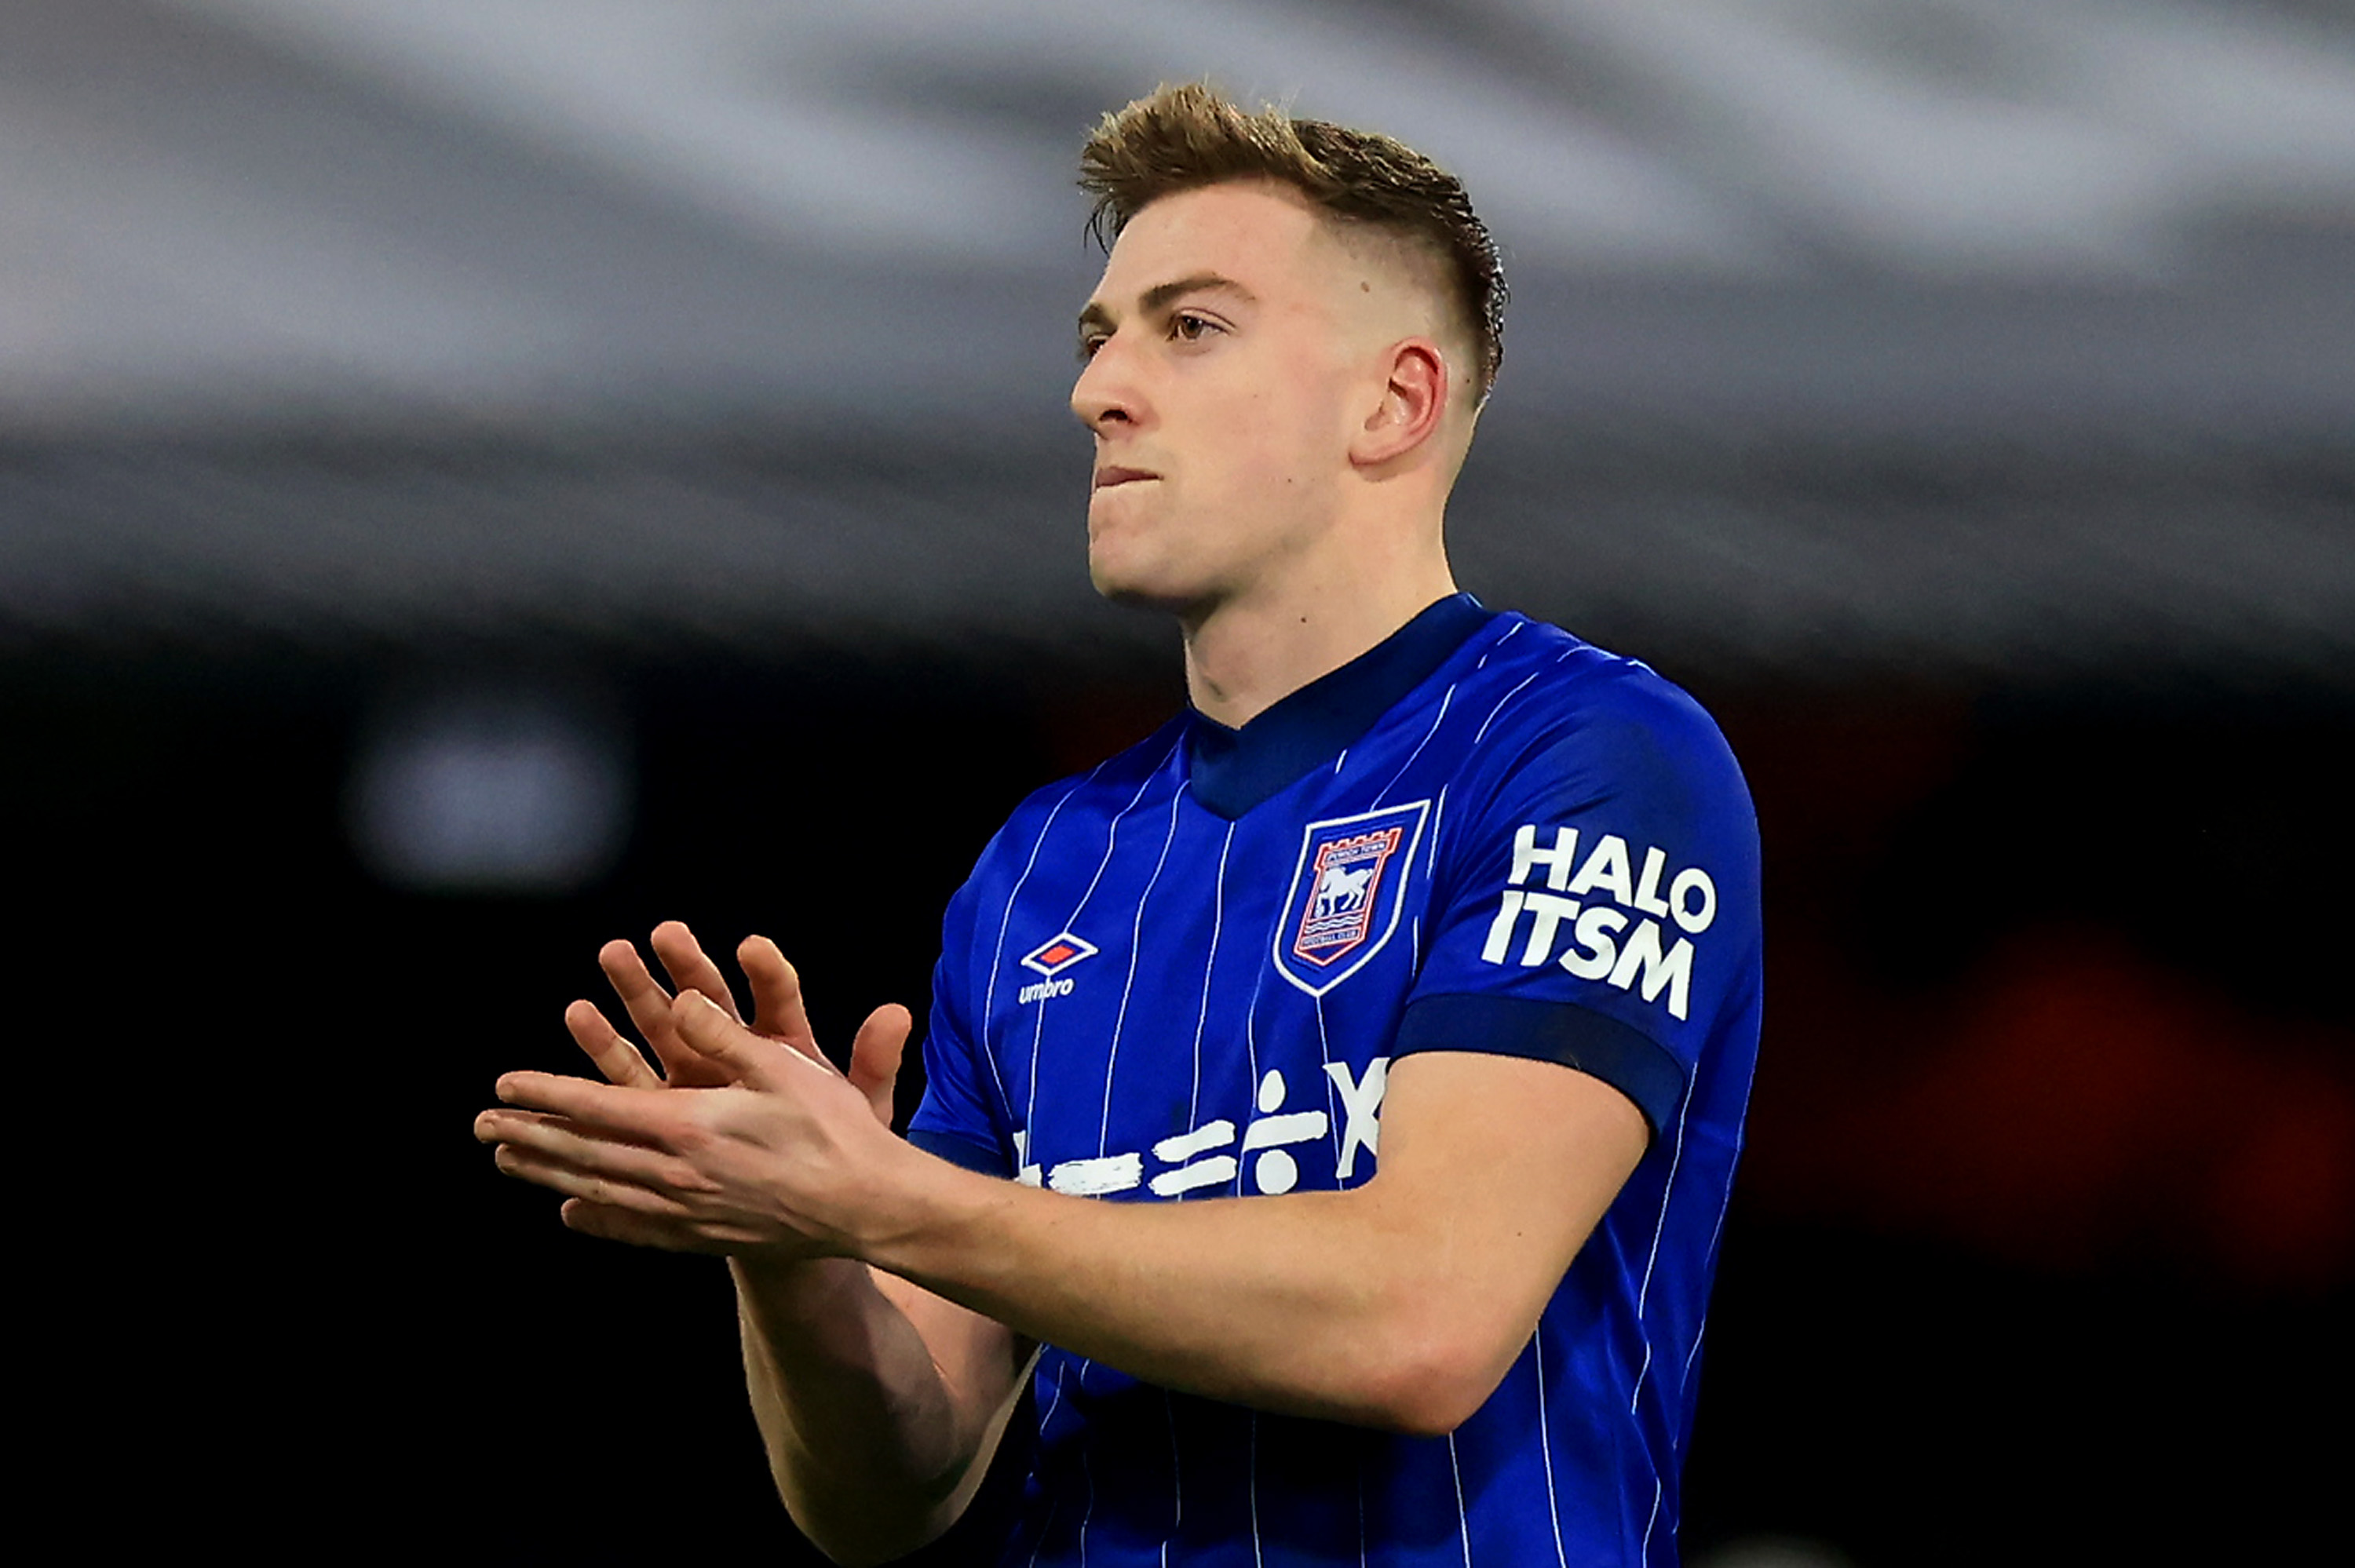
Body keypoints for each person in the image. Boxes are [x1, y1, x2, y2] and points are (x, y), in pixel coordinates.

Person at [478, 82, 1761, 1567]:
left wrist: (884, 1194)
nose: (1099, 392)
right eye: (1099, 341)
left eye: (1191, 326)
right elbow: (889, 1492)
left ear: (1393, 402)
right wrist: (802, 1250)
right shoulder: (1047, 863)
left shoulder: (1588, 753)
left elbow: (1425, 1316)